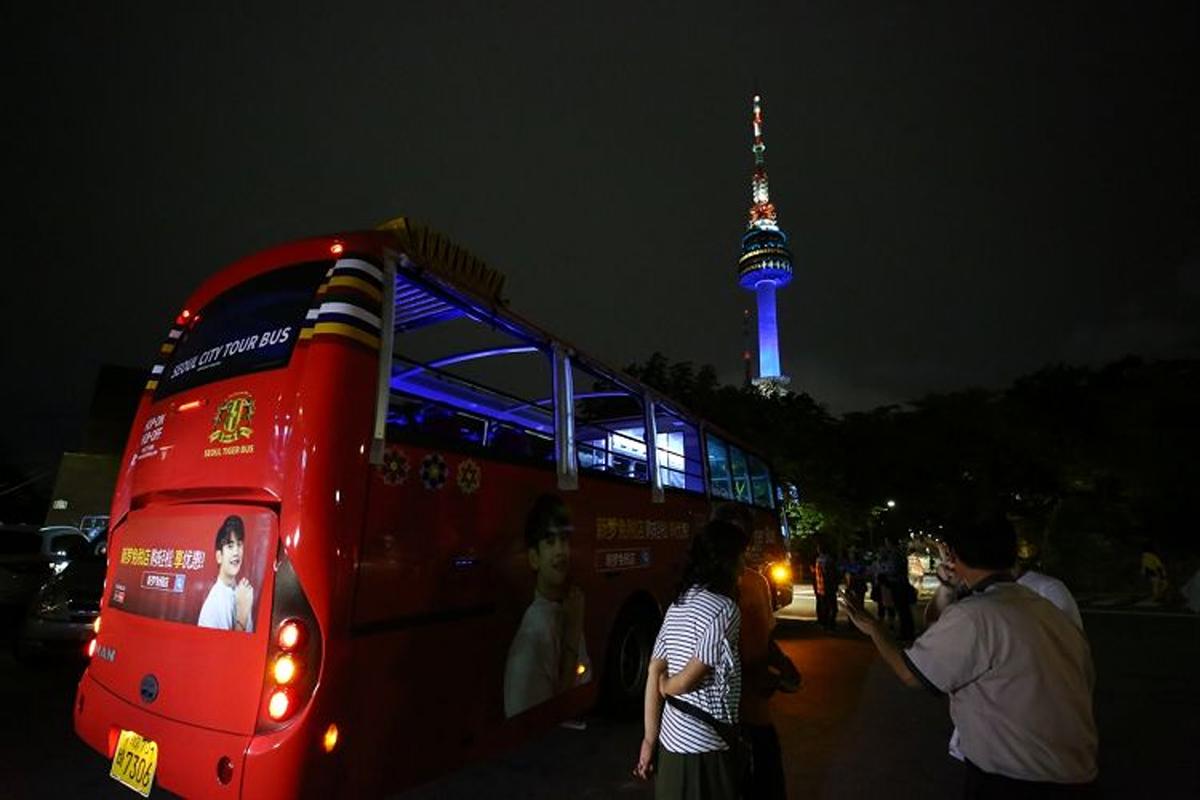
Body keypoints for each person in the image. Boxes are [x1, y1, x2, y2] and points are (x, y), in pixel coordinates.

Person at [841, 511, 1098, 796]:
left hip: (1015, 779)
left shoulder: (976, 614)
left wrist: (874, 628)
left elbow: (911, 674)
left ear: (955, 557)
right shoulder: (1044, 606)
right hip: (1074, 773)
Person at [633, 519, 749, 798]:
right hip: (706, 750)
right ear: (726, 561)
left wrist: (649, 740)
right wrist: (667, 686)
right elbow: (688, 679)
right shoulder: (725, 609)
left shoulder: (678, 604)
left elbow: (654, 668)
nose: (745, 564)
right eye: (741, 556)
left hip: (671, 744)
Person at [713, 502, 798, 800]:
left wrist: (782, 662)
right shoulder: (706, 591)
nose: (738, 544)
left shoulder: (757, 583)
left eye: (742, 535)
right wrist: (754, 676)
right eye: (729, 534)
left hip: (758, 714)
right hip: (723, 721)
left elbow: (766, 636)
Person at [503, 494, 591, 718]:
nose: (560, 551)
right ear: (534, 558)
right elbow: (552, 711)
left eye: (564, 540)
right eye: (550, 542)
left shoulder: (566, 607)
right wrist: (573, 631)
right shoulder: (533, 634)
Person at [197, 515, 255, 632]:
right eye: (230, 546)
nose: (236, 552)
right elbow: (230, 645)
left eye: (239, 544)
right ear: (219, 556)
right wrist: (242, 615)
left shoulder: (242, 593)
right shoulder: (214, 603)